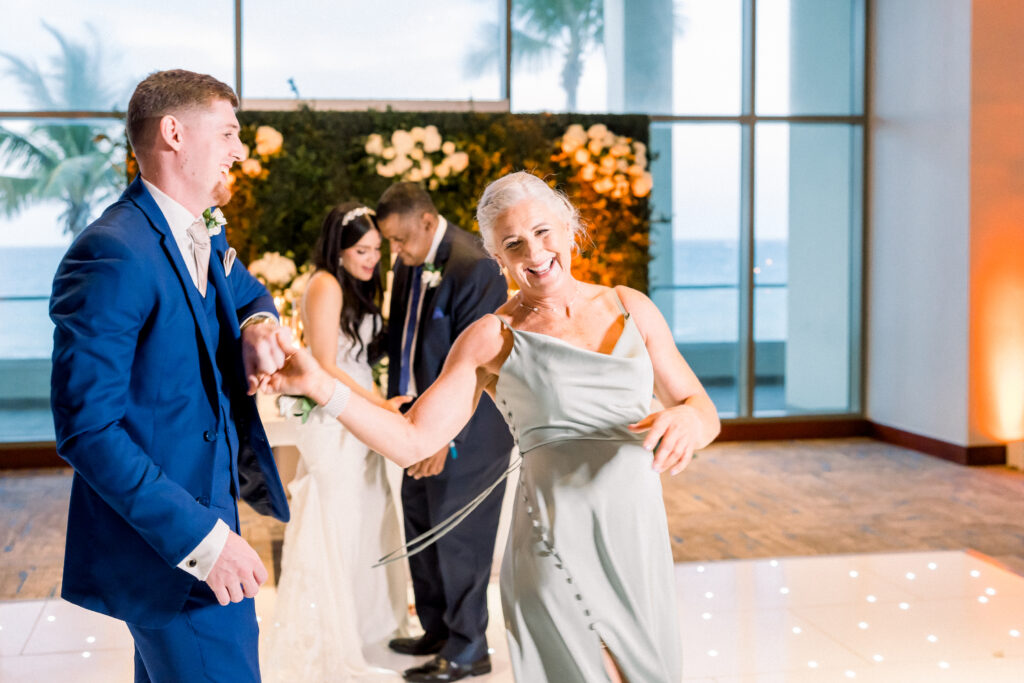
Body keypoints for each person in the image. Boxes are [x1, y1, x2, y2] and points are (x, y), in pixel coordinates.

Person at [265, 170, 721, 683]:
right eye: (514, 244)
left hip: (639, 545)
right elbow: (413, 437)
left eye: (544, 232)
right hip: (556, 551)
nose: (535, 252)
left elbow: (701, 407)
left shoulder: (631, 306)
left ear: (570, 228)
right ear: (497, 258)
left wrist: (687, 418)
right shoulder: (492, 338)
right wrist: (321, 387)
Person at [49, 69, 291, 682]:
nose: (240, 150)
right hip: (174, 549)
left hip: (204, 525)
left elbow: (244, 291)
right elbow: (88, 431)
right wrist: (205, 544)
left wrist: (260, 323)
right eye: (230, 133)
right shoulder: (113, 252)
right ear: (175, 133)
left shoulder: (203, 227)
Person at [261, 202, 411, 680]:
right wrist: (381, 404)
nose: (372, 260)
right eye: (362, 251)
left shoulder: (358, 286)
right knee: (336, 517)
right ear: (339, 250)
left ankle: (367, 626)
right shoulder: (324, 284)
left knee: (368, 514)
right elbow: (325, 365)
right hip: (336, 415)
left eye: (375, 251)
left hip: (359, 409)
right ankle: (327, 634)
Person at [375, 182, 514, 682]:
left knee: (460, 538)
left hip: (467, 432)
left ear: (428, 223)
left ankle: (469, 648)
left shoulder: (473, 265)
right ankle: (436, 630)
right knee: (422, 531)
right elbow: (405, 337)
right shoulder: (409, 262)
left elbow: (479, 368)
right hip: (414, 423)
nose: (394, 251)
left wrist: (442, 437)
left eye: (399, 240)